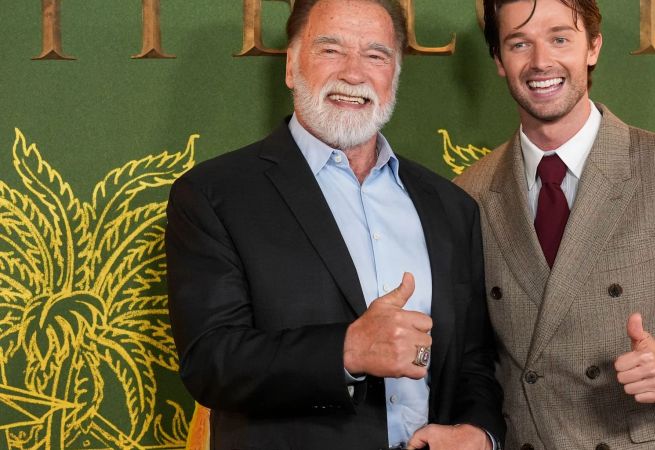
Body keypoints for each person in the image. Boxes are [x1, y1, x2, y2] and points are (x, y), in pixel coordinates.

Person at [165, 0, 504, 448]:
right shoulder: (213, 194)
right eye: (331, 50)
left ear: (395, 74)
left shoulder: (450, 205)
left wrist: (479, 433)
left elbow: (474, 359)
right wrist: (348, 349)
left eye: (376, 55)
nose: (353, 74)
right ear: (291, 65)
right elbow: (210, 362)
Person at [454, 0, 655, 448]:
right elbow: (472, 357)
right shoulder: (469, 193)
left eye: (560, 38)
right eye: (520, 43)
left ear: (593, 47)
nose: (542, 62)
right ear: (500, 61)